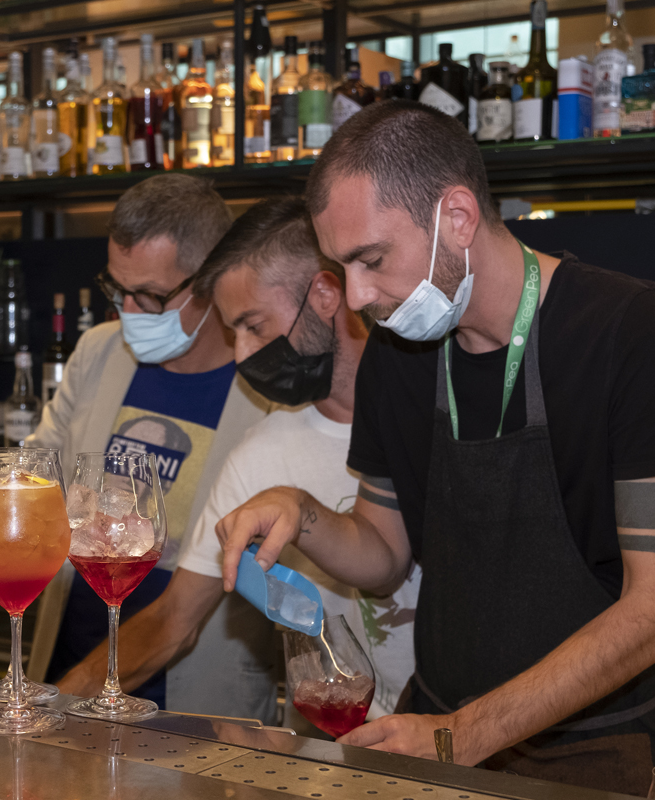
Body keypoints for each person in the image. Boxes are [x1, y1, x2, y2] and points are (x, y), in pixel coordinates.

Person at [216, 101, 655, 794]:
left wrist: (468, 734)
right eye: (341, 266)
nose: (357, 296)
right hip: (435, 738)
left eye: (371, 259)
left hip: (598, 753)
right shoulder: (399, 353)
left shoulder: (630, 331)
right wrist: (301, 511)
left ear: (457, 217)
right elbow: (383, 558)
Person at [58, 197, 421, 726]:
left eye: (254, 325)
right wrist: (53, 705)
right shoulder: (262, 454)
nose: (245, 356)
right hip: (337, 744)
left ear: (324, 294)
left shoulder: (432, 411)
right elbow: (174, 619)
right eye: (234, 334)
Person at [28, 173, 271, 714]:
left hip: (198, 707)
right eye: (118, 290)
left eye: (152, 296)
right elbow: (32, 477)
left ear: (212, 281)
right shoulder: (98, 353)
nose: (129, 312)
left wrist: (62, 703)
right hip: (69, 667)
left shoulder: (265, 392)